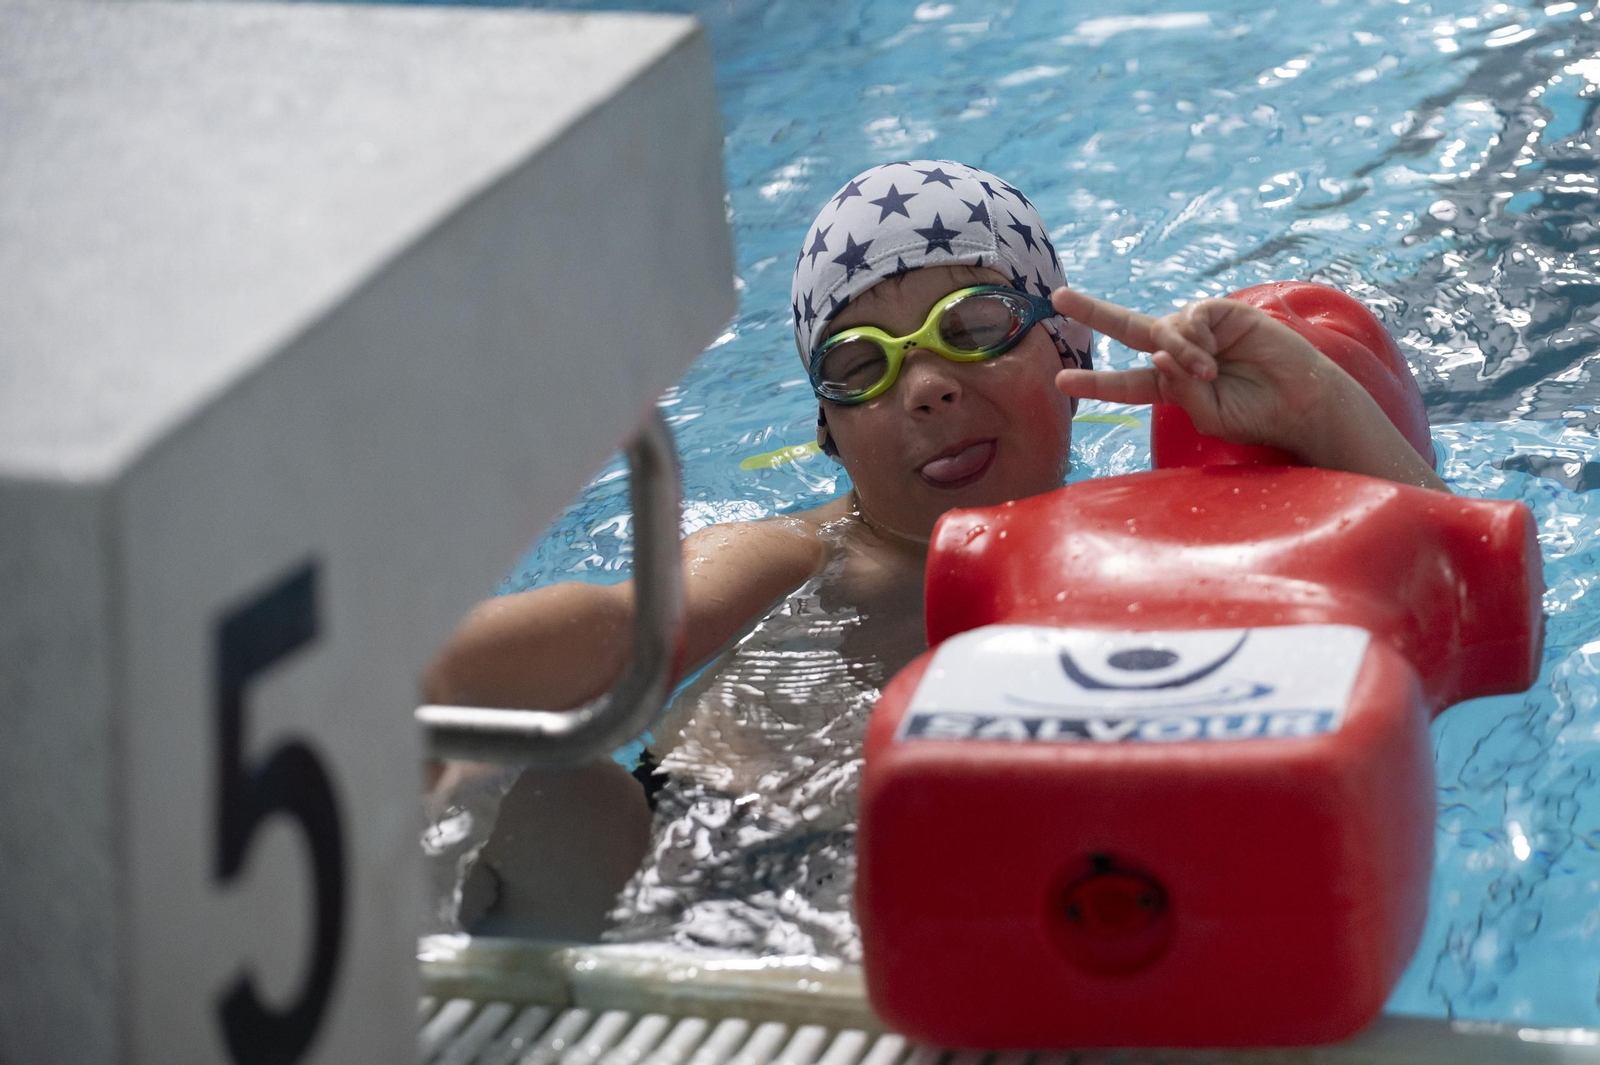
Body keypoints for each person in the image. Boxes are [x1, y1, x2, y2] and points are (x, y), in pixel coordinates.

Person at [423, 159, 1447, 958]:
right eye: (860, 366)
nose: (925, 388)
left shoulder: (1143, 548)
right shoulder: (793, 555)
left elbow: (1448, 595)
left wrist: (1314, 405)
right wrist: (400, 672)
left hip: (928, 937)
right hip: (661, 902)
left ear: (1069, 347)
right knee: (512, 772)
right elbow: (632, 628)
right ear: (829, 432)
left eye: (975, 326)